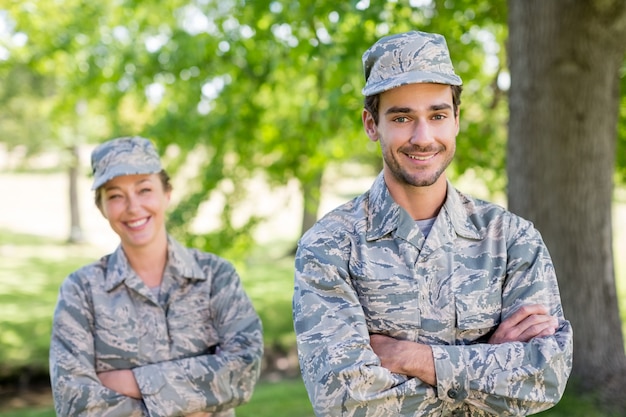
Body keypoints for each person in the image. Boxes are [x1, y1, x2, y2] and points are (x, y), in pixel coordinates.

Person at [292, 30, 573, 416]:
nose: (423, 138)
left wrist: (411, 357)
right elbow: (345, 401)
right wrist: (488, 361)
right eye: (402, 117)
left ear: (456, 120)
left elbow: (546, 378)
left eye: (437, 115)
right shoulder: (330, 246)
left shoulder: (511, 240)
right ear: (371, 125)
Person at [49, 136, 263, 416]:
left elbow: (244, 370)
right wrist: (192, 399)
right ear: (101, 207)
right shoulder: (81, 291)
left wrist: (134, 382)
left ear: (167, 193)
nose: (133, 207)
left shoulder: (215, 277)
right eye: (115, 195)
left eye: (145, 189)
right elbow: (73, 402)